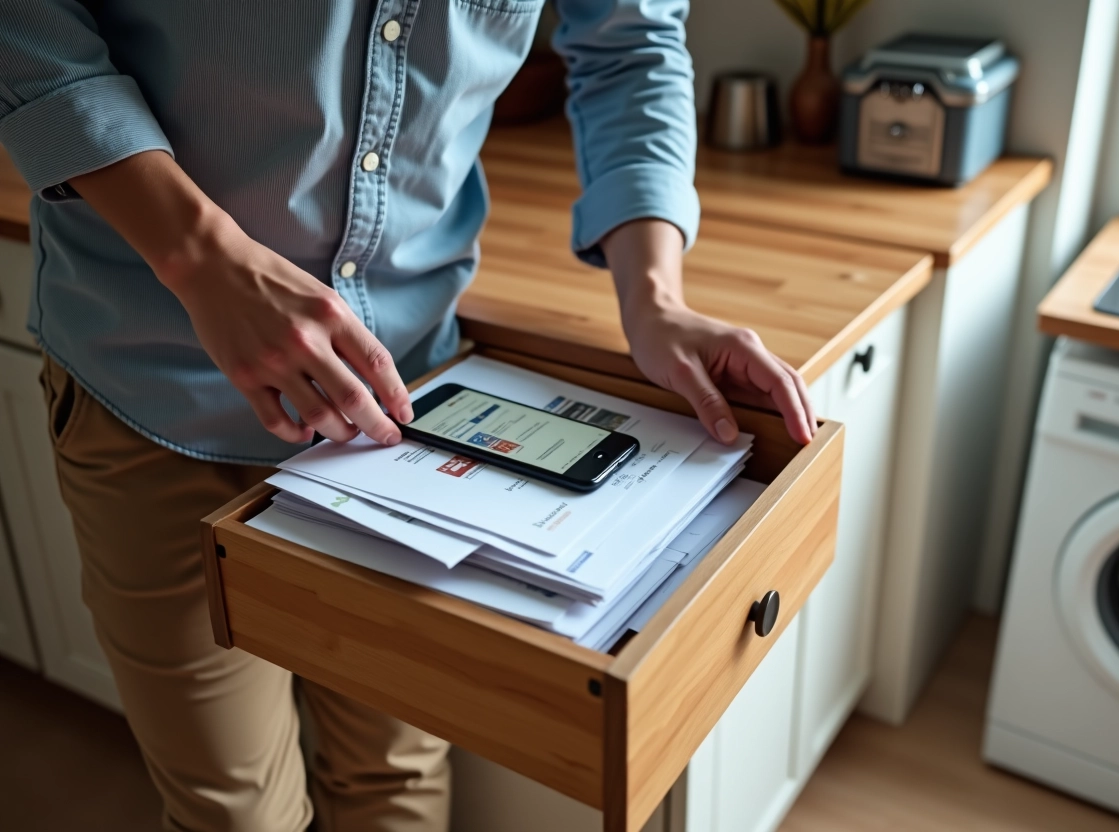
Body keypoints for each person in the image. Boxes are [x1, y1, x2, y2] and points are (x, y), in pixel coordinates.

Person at [0, 2, 817, 830]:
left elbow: (632, 49)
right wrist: (202, 256)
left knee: (394, 778)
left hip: (408, 405)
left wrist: (654, 298)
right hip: (153, 381)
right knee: (232, 812)